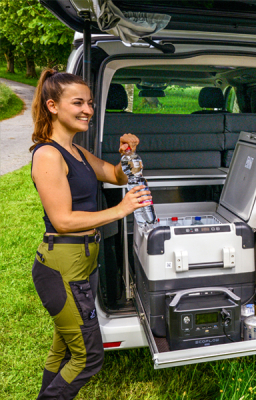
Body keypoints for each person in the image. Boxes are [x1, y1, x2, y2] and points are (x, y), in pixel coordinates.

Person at [29, 69, 150, 399]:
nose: (88, 110)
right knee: (88, 358)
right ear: (53, 106)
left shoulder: (78, 152)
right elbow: (63, 220)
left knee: (65, 350)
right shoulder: (48, 154)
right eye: (78, 103)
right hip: (62, 269)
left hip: (83, 264)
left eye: (91, 103)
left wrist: (126, 157)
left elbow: (114, 175)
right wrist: (121, 210)